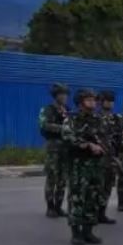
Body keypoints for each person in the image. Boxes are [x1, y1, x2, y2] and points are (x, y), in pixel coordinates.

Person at [65, 89, 106, 245]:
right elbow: (68, 137)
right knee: (77, 198)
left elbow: (104, 137)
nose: (93, 102)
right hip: (79, 165)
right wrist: (87, 145)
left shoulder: (98, 119)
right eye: (88, 99)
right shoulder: (72, 119)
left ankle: (88, 231)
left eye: (93, 99)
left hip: (96, 165)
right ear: (80, 102)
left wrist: (104, 147)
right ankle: (76, 233)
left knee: (93, 198)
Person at [40, 83, 71, 218]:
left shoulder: (68, 109)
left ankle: (59, 206)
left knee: (63, 179)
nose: (64, 97)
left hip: (66, 147)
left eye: (65, 94)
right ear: (55, 96)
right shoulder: (48, 109)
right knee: (52, 177)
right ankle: (50, 207)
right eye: (61, 94)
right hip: (53, 147)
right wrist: (62, 128)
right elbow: (44, 125)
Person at [95, 90, 119, 225]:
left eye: (112, 100)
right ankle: (93, 213)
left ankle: (102, 213)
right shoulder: (96, 116)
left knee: (108, 186)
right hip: (100, 157)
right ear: (101, 101)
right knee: (98, 186)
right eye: (107, 100)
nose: (110, 103)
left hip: (112, 157)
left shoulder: (115, 118)